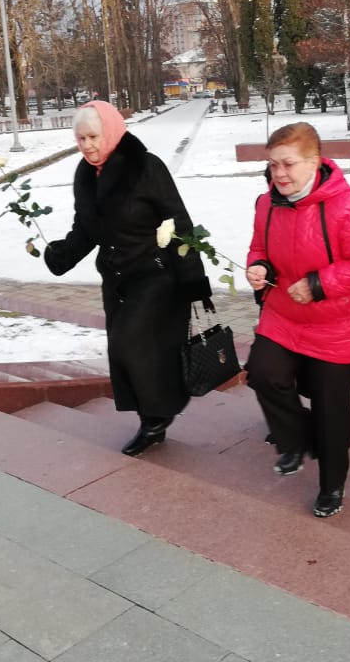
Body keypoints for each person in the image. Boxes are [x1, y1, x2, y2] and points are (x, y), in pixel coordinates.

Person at [42, 101, 214, 457]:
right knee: (124, 349)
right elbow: (87, 227)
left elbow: (178, 221)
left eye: (93, 136)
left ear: (112, 131)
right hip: (117, 277)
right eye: (80, 138)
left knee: (136, 342)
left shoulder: (146, 167)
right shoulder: (85, 174)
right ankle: (151, 417)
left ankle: (155, 419)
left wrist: (193, 279)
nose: (87, 145)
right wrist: (62, 254)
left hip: (156, 273)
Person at [245, 122, 350, 518]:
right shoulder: (266, 203)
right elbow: (259, 246)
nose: (279, 174)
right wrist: (258, 265)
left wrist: (319, 285)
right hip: (285, 312)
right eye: (272, 166)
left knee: (330, 409)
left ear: (314, 161)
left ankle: (332, 485)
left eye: (287, 165)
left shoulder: (345, 207)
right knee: (262, 372)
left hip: (338, 323)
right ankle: (297, 439)